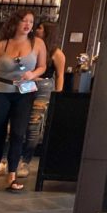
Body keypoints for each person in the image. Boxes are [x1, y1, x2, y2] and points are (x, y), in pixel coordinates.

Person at [0, 9, 46, 192]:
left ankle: (12, 175)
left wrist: (33, 74)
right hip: (0, 91)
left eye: (31, 22)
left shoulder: (37, 43)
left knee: (18, 133)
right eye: (24, 21)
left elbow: (42, 66)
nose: (27, 25)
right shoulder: (1, 45)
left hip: (24, 92)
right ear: (15, 23)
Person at [17, 20, 65, 178]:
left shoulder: (56, 53)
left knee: (34, 125)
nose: (36, 30)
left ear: (47, 32)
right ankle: (7, 160)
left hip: (43, 86)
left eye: (40, 28)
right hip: (26, 84)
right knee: (16, 123)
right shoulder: (29, 46)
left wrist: (57, 95)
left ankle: (25, 161)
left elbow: (60, 75)